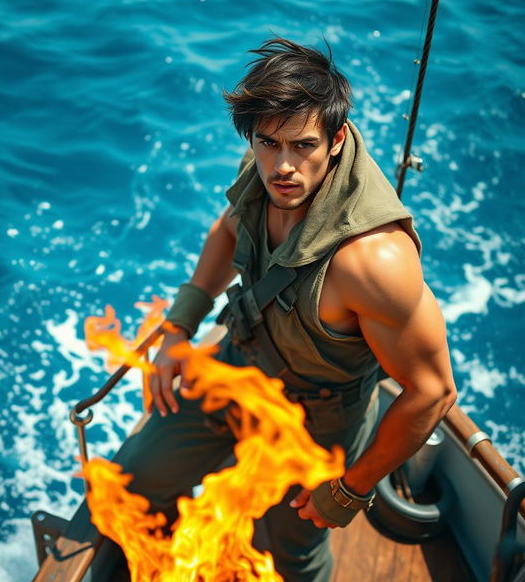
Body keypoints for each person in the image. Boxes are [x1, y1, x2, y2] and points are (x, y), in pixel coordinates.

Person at [95, 37, 457, 581]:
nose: (283, 166)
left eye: (303, 146)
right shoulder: (263, 166)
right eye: (268, 144)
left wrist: (350, 490)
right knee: (130, 481)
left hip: (319, 420)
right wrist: (178, 328)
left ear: (336, 140)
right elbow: (228, 229)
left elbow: (433, 391)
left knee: (295, 552)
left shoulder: (375, 261)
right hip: (243, 366)